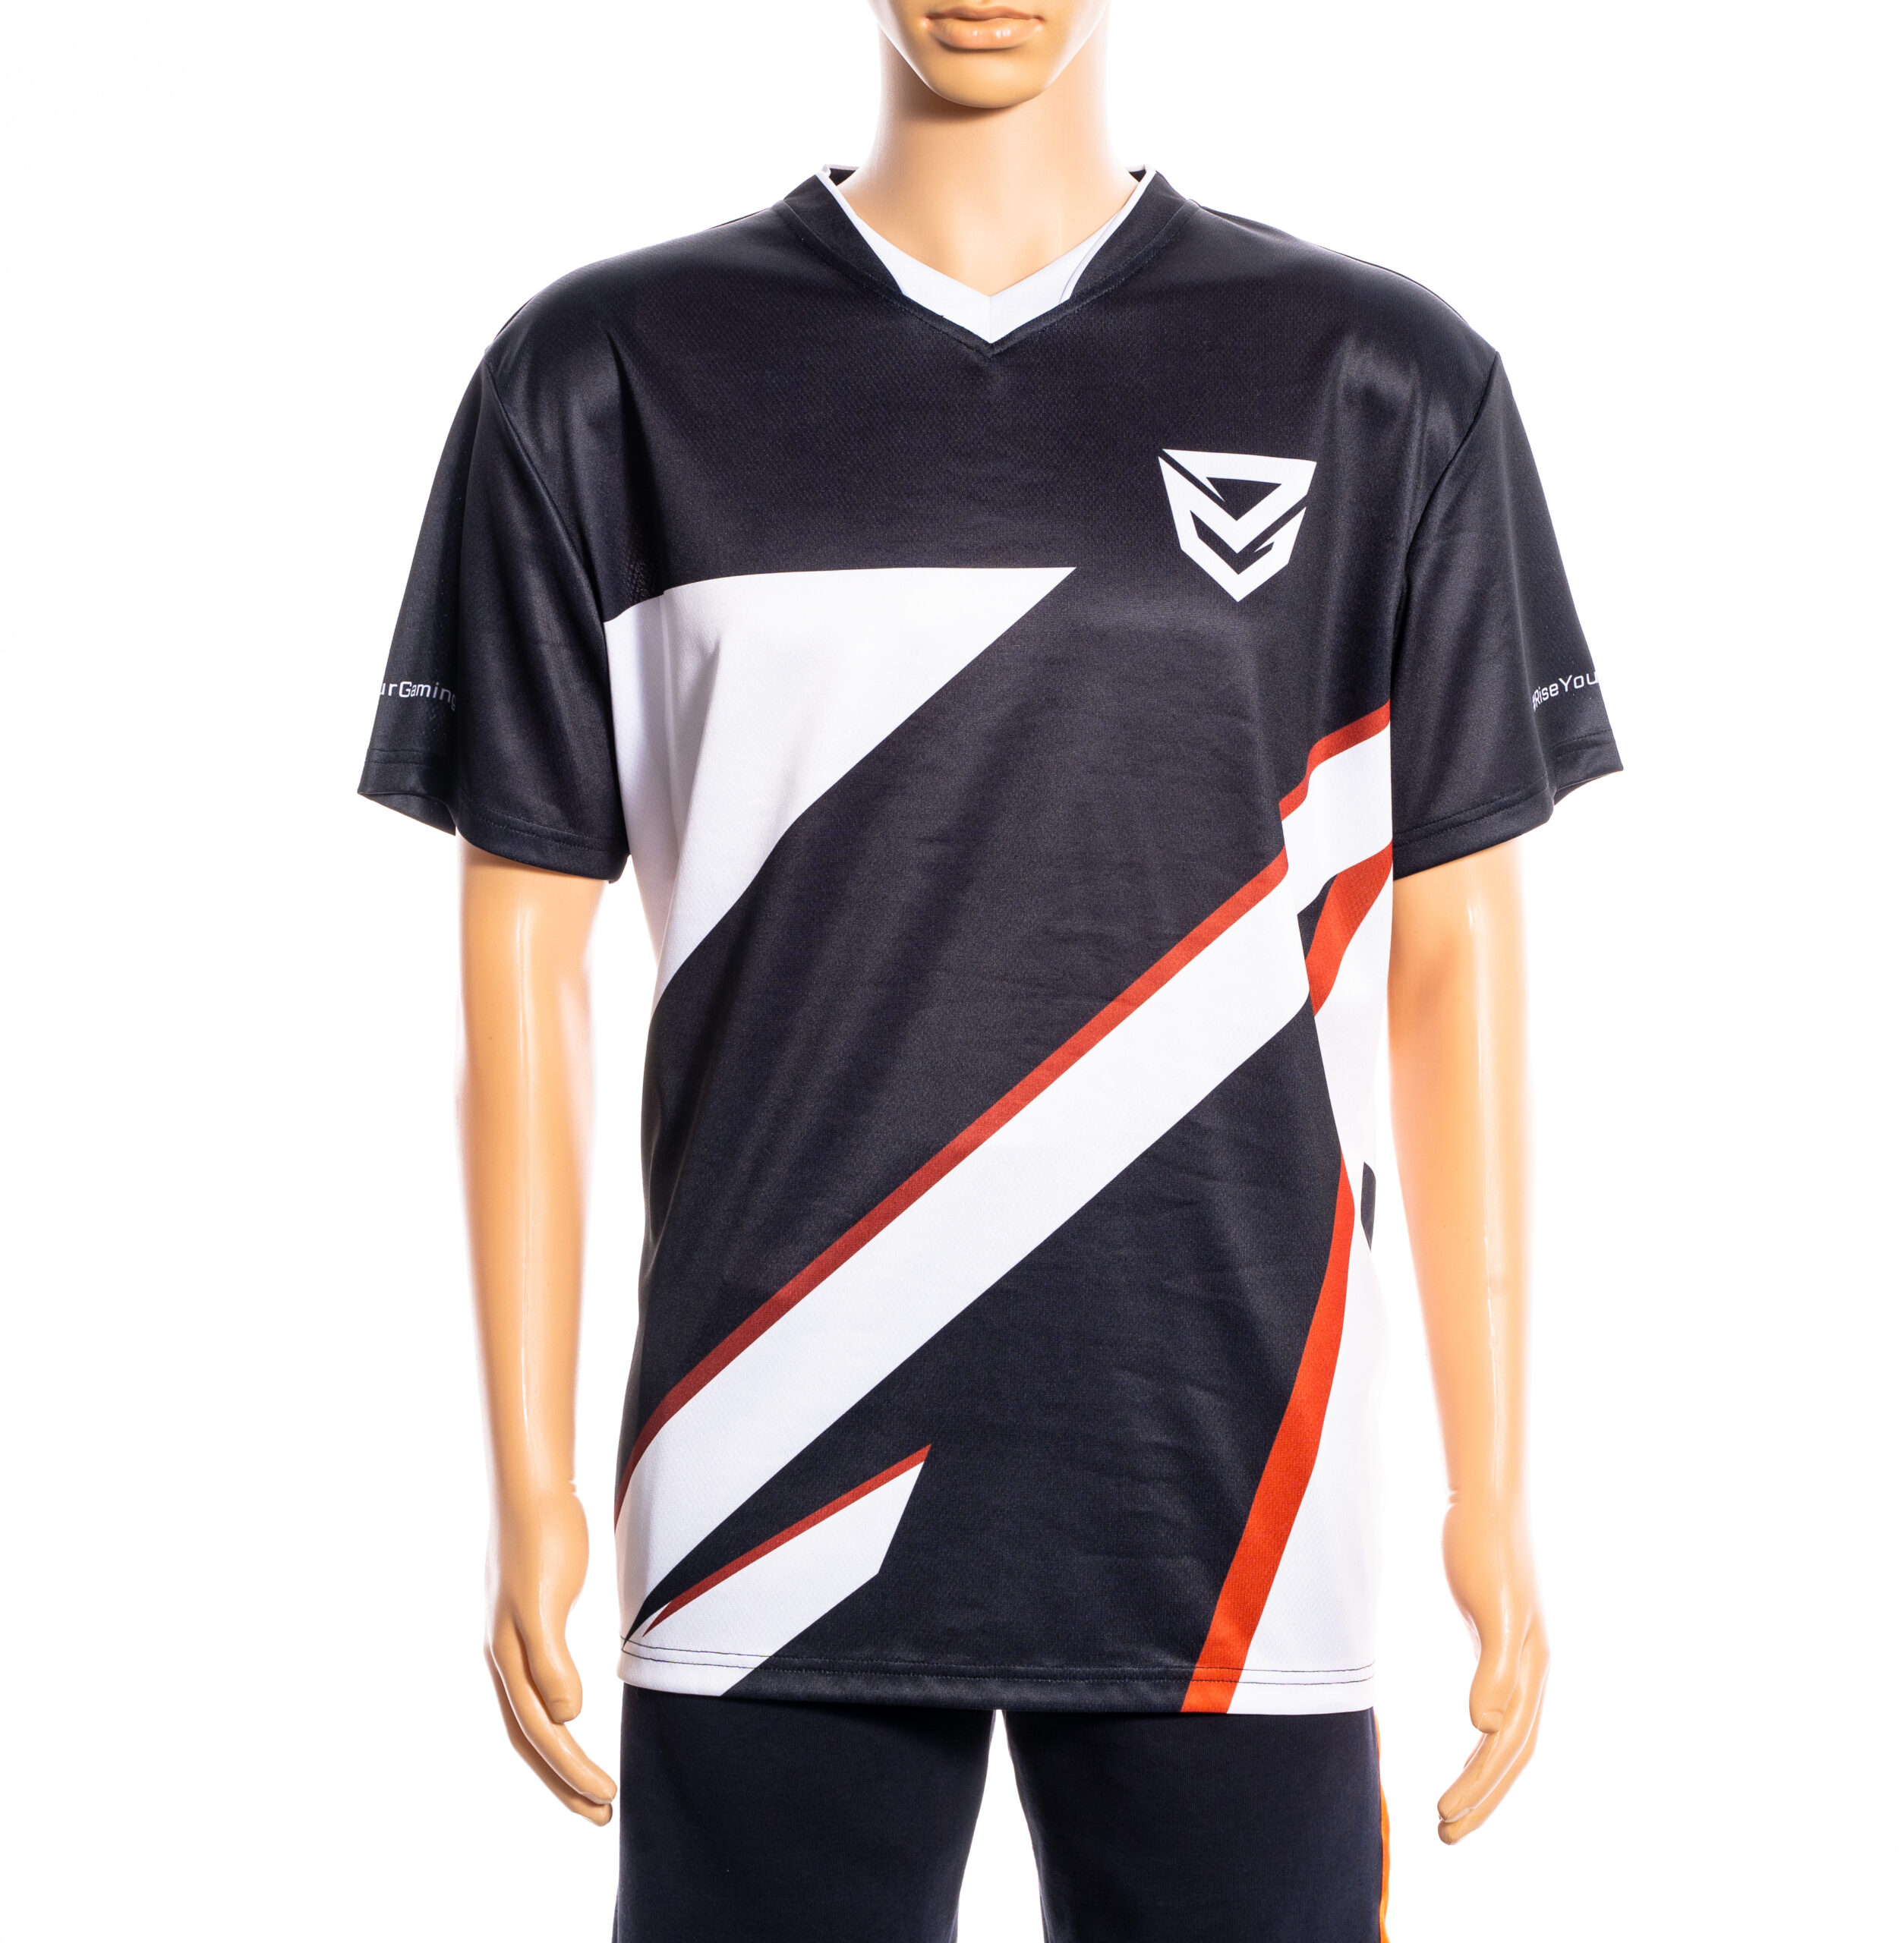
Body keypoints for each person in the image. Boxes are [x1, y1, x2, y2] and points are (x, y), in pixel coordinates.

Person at [359, 2, 1620, 1935]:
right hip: (766, 1469)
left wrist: (1490, 1491)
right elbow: (518, 960)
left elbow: (1453, 956)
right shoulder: (605, 381)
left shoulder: (1379, 386)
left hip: (1232, 1478)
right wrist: (529, 1480)